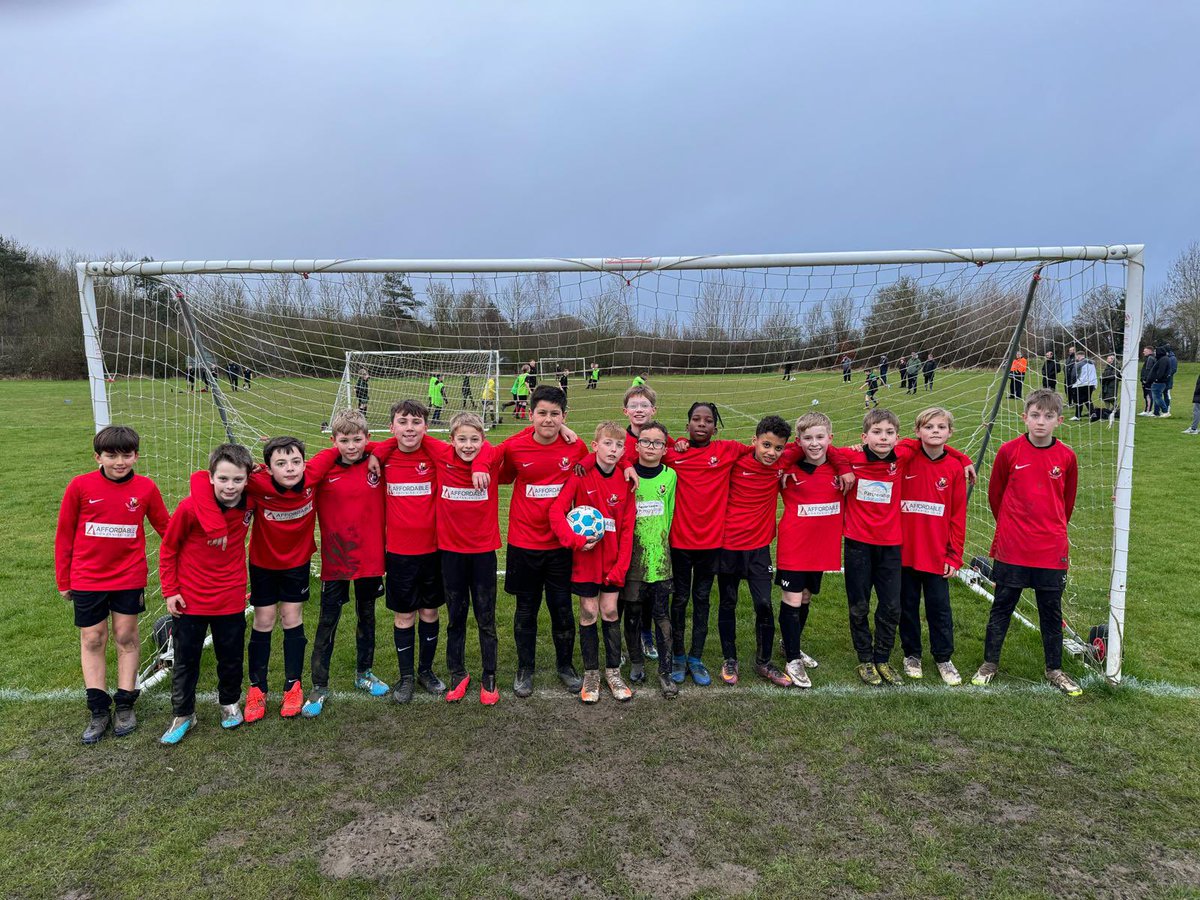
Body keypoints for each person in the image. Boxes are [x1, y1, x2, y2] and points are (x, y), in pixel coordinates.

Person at [187, 436, 338, 721]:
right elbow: (198, 479)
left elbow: (343, 447)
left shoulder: (313, 475)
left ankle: (293, 685)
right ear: (267, 469)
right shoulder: (256, 485)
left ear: (305, 463)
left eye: (296, 462)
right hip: (263, 564)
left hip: (298, 563)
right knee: (264, 620)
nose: (291, 469)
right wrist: (214, 524)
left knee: (292, 617)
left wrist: (374, 455)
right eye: (281, 463)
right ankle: (258, 689)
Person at [829, 410, 974, 687]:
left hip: (892, 545)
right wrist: (845, 466)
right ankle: (866, 658)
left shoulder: (903, 455)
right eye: (876, 432)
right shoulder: (854, 457)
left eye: (889, 433)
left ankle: (883, 658)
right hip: (858, 544)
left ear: (898, 437)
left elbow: (933, 442)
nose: (883, 438)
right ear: (864, 436)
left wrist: (962, 457)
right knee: (859, 606)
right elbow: (826, 450)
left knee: (893, 607)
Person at [55, 425, 171, 743]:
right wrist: (63, 579)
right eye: (111, 455)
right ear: (98, 457)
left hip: (128, 576)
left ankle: (124, 704)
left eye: (126, 454)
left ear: (136, 455)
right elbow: (64, 534)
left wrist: (198, 550)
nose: (120, 461)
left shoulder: (146, 488)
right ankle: (97, 709)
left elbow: (167, 528)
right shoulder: (80, 486)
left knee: (125, 636)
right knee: (93, 639)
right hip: (87, 578)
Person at [971, 389, 1082, 696]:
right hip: (1013, 546)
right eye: (1035, 415)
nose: (1041, 422)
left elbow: (1067, 502)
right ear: (1025, 418)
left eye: (1048, 417)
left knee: (1051, 611)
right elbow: (996, 496)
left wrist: (1051, 528)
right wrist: (1011, 526)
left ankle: (1054, 669)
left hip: (1050, 548)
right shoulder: (1009, 451)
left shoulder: (1067, 457)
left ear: (1059, 420)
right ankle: (989, 664)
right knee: (1002, 606)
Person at [486, 385, 589, 696]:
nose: (548, 419)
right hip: (524, 543)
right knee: (526, 609)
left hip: (561, 545)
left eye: (555, 414)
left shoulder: (576, 447)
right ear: (530, 415)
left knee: (561, 608)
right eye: (542, 413)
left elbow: (595, 470)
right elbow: (498, 474)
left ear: (564, 416)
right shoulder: (515, 447)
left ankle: (565, 667)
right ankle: (525, 668)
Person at [157, 443, 255, 744]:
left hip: (230, 596)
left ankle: (229, 704)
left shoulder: (250, 503)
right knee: (186, 659)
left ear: (247, 480)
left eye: (237, 480)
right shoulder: (190, 507)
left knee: (230, 657)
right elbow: (169, 548)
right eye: (223, 479)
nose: (230, 486)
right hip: (190, 599)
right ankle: (184, 713)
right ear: (210, 477)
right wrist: (171, 590)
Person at [300, 410, 389, 718]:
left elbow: (393, 444)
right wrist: (329, 454)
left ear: (367, 438)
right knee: (327, 621)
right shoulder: (325, 466)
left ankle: (364, 672)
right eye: (344, 440)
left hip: (370, 558)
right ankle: (319, 685)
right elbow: (300, 478)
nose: (352, 446)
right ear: (333, 440)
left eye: (358, 439)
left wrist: (376, 449)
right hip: (336, 560)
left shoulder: (376, 462)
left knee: (367, 616)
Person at [550, 422, 637, 703]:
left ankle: (613, 671)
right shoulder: (580, 475)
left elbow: (627, 529)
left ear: (624, 451)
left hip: (613, 561)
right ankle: (591, 673)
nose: (613, 450)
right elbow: (556, 512)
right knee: (589, 612)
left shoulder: (627, 480)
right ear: (595, 445)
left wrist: (622, 566)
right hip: (585, 560)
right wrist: (574, 541)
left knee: (610, 610)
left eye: (619, 445)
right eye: (608, 444)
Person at [665, 402, 750, 687]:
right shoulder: (673, 454)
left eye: (708, 420)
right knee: (679, 599)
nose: (702, 424)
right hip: (679, 542)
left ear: (715, 426)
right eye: (696, 419)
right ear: (687, 424)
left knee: (702, 599)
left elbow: (768, 449)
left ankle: (695, 657)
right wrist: (670, 442)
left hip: (712, 543)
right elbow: (637, 450)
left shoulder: (727, 450)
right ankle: (677, 655)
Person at [714, 415, 799, 688]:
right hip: (728, 547)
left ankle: (763, 661)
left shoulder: (782, 461)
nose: (772, 453)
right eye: (766, 445)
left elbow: (814, 447)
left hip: (759, 549)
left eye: (778, 448)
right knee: (728, 603)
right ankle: (729, 658)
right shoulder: (736, 461)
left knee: (764, 604)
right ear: (754, 441)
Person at [427, 412, 503, 705]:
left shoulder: (492, 459)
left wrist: (566, 431)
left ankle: (489, 675)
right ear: (451, 440)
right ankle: (457, 673)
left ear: (484, 441)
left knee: (486, 618)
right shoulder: (441, 455)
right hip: (451, 554)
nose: (468, 445)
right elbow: (407, 437)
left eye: (475, 439)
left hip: (483, 554)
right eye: (462, 439)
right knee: (455, 617)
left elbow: (513, 443)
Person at [373, 400, 446, 702]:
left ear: (426, 428)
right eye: (402, 422)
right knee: (404, 616)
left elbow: (472, 450)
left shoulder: (433, 453)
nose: (409, 428)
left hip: (433, 551)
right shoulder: (383, 456)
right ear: (392, 428)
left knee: (429, 611)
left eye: (416, 422)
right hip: (400, 554)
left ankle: (425, 671)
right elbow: (353, 446)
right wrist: (379, 451)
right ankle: (405, 678)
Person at [898, 408, 967, 685]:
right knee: (907, 605)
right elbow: (898, 443)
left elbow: (957, 516)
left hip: (937, 554)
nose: (935, 431)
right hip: (904, 552)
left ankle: (943, 657)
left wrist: (954, 555)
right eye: (928, 427)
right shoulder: (906, 459)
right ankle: (911, 654)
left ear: (949, 433)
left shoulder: (953, 468)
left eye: (941, 427)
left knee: (939, 607)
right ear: (917, 432)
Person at [775, 411, 843, 688]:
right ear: (798, 441)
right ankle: (792, 659)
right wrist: (787, 461)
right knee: (791, 599)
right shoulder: (788, 468)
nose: (814, 443)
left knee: (805, 597)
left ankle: (791, 644)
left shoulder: (842, 470)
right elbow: (776, 457)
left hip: (821, 547)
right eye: (807, 438)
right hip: (794, 545)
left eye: (820, 437)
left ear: (830, 438)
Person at [619, 421, 678, 698]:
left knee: (661, 615)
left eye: (657, 443)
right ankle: (637, 662)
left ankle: (665, 672)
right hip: (632, 558)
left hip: (660, 558)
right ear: (637, 445)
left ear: (664, 448)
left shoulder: (670, 476)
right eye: (646, 441)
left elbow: (670, 512)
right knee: (631, 613)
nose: (651, 447)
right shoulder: (626, 475)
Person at [1069, 351, 1096, 421]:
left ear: (1078, 356)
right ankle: (1093, 414)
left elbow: (1074, 375)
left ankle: (1078, 416)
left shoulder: (1078, 364)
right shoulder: (1092, 363)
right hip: (1090, 384)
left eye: (1076, 357)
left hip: (1080, 384)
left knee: (1078, 401)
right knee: (1087, 399)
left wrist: (1073, 383)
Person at [1149, 347, 1171, 417]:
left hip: (1159, 382)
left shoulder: (1163, 360)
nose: (1154, 353)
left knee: (1157, 397)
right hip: (1160, 381)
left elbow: (1161, 371)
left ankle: (1165, 411)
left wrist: (1157, 379)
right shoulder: (1162, 359)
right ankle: (1156, 412)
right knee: (1156, 397)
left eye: (1155, 351)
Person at [1099, 354, 1118, 421]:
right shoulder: (1108, 366)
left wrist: (1104, 377)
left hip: (1112, 385)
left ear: (1112, 359)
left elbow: (1114, 375)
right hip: (1106, 385)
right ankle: (1108, 413)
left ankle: (1116, 409)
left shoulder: (1116, 366)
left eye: (1108, 358)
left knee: (1111, 399)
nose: (1107, 360)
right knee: (1105, 399)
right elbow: (1105, 374)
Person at [1138, 346, 1156, 415]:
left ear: (1149, 351)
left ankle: (1148, 411)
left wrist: (1145, 379)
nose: (1143, 352)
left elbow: (1148, 370)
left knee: (1148, 395)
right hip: (1148, 380)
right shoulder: (1150, 358)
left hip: (1147, 381)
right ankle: (1147, 410)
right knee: (1147, 395)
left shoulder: (1150, 358)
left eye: (1145, 351)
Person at [1064, 345, 1077, 410]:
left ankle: (1074, 402)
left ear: (1074, 351)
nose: (1070, 351)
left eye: (1071, 350)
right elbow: (1065, 366)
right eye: (1069, 350)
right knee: (1067, 389)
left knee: (1073, 390)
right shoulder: (1068, 358)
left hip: (1073, 378)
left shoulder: (1075, 358)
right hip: (1066, 377)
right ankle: (1069, 402)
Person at [1166, 346, 1178, 414]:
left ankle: (1168, 409)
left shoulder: (1173, 358)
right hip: (1165, 379)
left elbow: (1173, 369)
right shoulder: (1168, 357)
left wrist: (1168, 375)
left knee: (1167, 393)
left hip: (1168, 380)